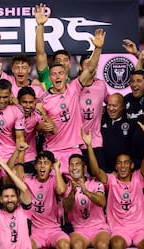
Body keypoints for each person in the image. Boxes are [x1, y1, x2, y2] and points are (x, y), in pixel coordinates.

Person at [82, 111, 144, 249]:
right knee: (116, 244)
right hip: (119, 230)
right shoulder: (111, 180)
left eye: (126, 163)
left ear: (132, 165)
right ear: (115, 166)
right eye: (119, 163)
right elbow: (97, 171)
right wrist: (89, 146)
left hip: (141, 229)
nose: (123, 166)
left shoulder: (138, 178)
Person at [39, 27, 106, 174]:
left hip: (73, 149)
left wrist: (98, 48)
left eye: (61, 73)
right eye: (54, 74)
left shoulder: (74, 87)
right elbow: (37, 128)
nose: (57, 77)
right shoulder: (43, 99)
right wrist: (43, 126)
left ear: (65, 75)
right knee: (55, 191)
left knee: (75, 190)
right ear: (50, 78)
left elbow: (90, 69)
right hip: (52, 150)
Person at [62, 154, 110, 249]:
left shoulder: (96, 183)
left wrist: (86, 192)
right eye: (71, 164)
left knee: (102, 245)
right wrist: (72, 192)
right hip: (78, 230)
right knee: (76, 246)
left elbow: (102, 202)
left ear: (84, 168)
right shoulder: (66, 187)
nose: (74, 167)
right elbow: (66, 208)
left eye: (77, 164)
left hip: (98, 228)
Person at [23, 151, 69, 249]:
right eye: (40, 163)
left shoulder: (55, 180)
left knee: (64, 245)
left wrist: (57, 169)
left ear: (51, 166)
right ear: (35, 166)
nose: (42, 166)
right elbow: (13, 175)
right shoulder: (28, 180)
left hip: (54, 230)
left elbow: (61, 190)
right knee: (29, 246)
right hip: (36, 232)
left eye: (46, 163)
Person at [78, 53, 109, 170]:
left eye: (93, 64)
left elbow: (111, 101)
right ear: (80, 67)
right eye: (87, 65)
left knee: (100, 178)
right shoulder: (73, 87)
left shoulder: (101, 85)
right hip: (78, 144)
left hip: (96, 142)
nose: (91, 67)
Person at [17, 86, 56, 173]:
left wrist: (43, 112)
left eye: (30, 102)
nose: (27, 106)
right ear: (18, 101)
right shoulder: (11, 113)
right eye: (24, 102)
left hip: (30, 158)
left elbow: (53, 130)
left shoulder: (36, 114)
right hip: (12, 156)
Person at [124, 70, 144, 171]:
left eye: (138, 81)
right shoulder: (126, 99)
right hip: (132, 162)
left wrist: (139, 55)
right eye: (132, 81)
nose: (134, 84)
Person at [35, 3, 72, 90]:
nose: (62, 63)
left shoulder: (74, 84)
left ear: (70, 64)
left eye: (65, 60)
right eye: (58, 60)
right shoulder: (46, 76)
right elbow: (40, 52)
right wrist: (40, 25)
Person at [101, 93, 133, 172]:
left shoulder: (130, 123)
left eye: (114, 106)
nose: (111, 109)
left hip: (123, 172)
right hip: (104, 171)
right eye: (109, 105)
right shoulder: (102, 119)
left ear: (122, 107)